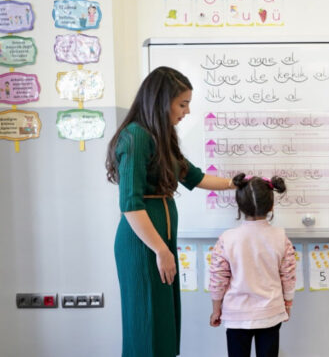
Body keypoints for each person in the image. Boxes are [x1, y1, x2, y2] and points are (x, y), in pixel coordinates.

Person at [105, 66, 235, 357]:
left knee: (162, 320)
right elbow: (130, 205)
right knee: (146, 320)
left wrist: (236, 184)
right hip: (143, 245)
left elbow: (195, 177)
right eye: (182, 103)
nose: (187, 111)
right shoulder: (136, 137)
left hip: (159, 244)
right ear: (161, 101)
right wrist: (161, 251)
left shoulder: (161, 137)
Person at [209, 173, 296, 357]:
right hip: (270, 313)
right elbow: (288, 276)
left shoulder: (227, 239)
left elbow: (218, 278)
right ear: (271, 206)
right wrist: (287, 304)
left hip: (236, 315)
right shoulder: (281, 238)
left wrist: (216, 309)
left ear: (239, 206)